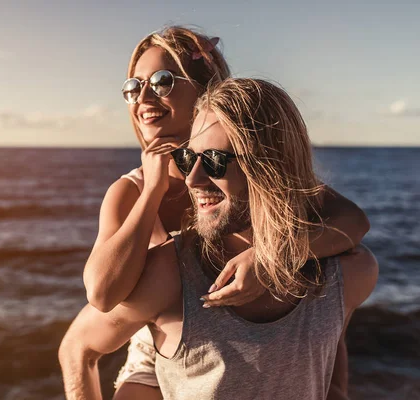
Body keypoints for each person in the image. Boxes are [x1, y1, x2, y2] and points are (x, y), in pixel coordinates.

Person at [61, 26, 370, 399]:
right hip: (157, 343)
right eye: (132, 86)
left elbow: (352, 222)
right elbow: (102, 294)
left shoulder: (260, 168)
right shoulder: (133, 190)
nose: (142, 96)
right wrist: (153, 191)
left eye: (160, 81)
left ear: (206, 86)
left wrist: (272, 257)